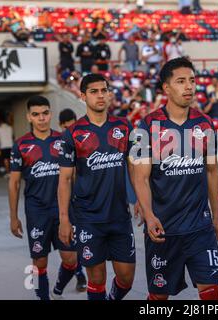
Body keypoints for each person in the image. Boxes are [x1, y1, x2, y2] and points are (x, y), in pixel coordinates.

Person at [132, 57, 218, 300]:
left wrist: (216, 216)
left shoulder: (206, 124)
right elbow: (140, 178)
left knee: (212, 293)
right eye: (181, 81)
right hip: (163, 230)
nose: (189, 87)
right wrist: (149, 216)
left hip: (200, 228)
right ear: (166, 88)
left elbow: (213, 172)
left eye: (192, 81)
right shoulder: (147, 125)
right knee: (159, 298)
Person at [58, 74, 137, 300]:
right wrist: (64, 219)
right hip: (88, 218)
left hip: (120, 215)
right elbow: (64, 180)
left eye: (104, 90)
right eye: (94, 91)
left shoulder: (124, 127)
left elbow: (134, 168)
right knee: (97, 279)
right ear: (83, 96)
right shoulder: (72, 133)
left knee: (126, 278)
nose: (100, 95)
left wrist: (142, 200)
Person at [8, 96, 79, 300]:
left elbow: (74, 176)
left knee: (71, 259)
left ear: (51, 114)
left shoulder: (63, 140)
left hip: (63, 209)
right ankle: (43, 297)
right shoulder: (20, 145)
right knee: (40, 262)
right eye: (36, 114)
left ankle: (57, 290)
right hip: (36, 211)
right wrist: (13, 217)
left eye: (45, 113)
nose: (42, 118)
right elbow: (13, 184)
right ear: (29, 117)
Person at [58, 108, 88, 292]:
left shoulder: (81, 139)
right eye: (67, 125)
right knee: (68, 246)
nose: (70, 128)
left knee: (80, 241)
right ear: (61, 125)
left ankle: (80, 274)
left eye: (73, 123)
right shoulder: (58, 143)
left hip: (80, 199)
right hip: (62, 201)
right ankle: (78, 274)